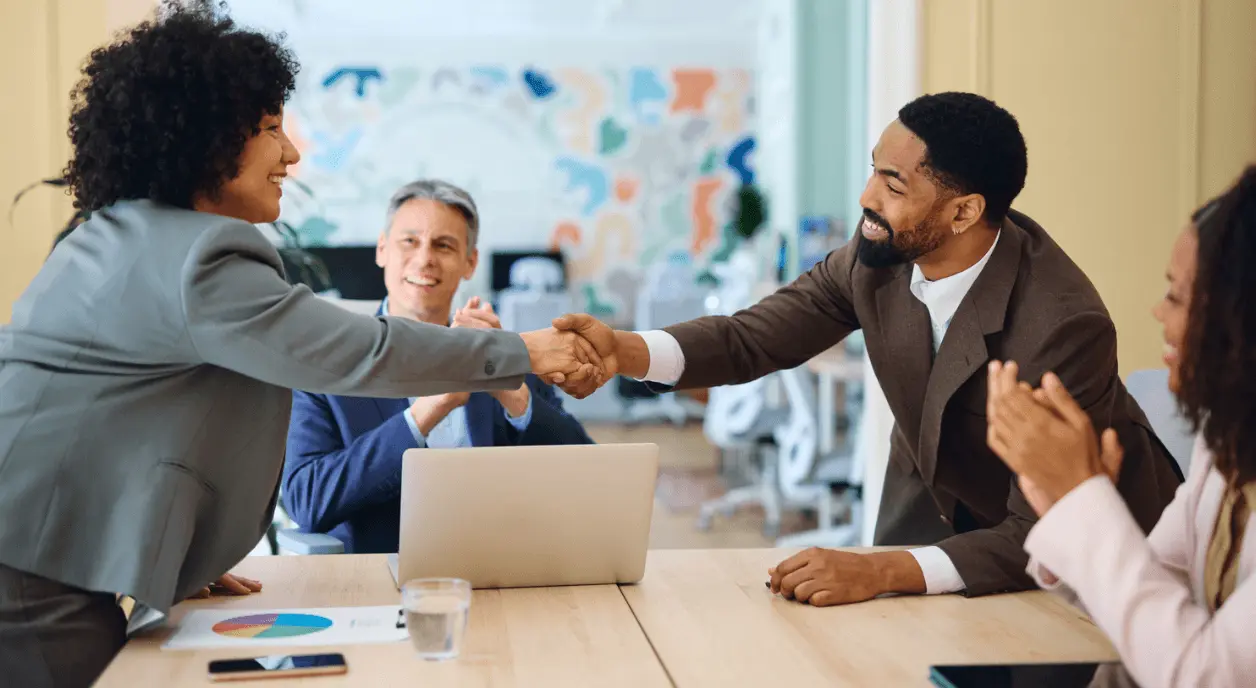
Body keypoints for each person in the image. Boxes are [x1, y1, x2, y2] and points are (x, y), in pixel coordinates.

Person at [0, 7, 601, 687]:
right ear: (209, 137)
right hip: (34, 572)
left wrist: (163, 552)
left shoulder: (113, 233)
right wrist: (526, 350)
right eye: (270, 129)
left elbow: (112, 418)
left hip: (42, 550)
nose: (292, 153)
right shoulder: (202, 258)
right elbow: (363, 353)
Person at [554, 91, 1182, 606]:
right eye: (872, 169)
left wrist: (879, 571)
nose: (865, 198)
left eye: (893, 183)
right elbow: (752, 337)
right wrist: (623, 351)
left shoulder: (1062, 323)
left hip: (1086, 566)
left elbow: (1042, 527)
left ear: (963, 212)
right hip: (934, 517)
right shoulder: (875, 258)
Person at [986, 166, 1256, 688]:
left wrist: (1083, 501)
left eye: (1177, 297)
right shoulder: (1224, 446)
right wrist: (1065, 506)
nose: (1158, 312)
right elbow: (1151, 613)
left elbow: (1204, 676)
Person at [283, 180, 594, 553]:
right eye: (410, 241)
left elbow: (584, 472)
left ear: (470, 262)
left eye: (444, 245)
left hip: (503, 571)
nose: (425, 258)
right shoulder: (324, 363)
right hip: (379, 579)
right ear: (383, 249)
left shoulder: (505, 354)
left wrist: (511, 389)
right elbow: (307, 501)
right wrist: (425, 413)